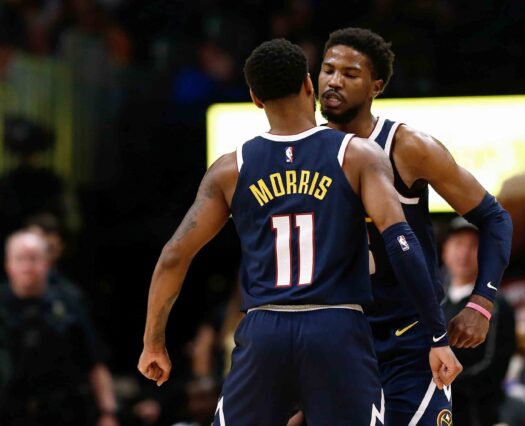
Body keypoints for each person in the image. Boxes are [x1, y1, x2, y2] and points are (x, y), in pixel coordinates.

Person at [137, 39, 461, 425]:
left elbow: (174, 254)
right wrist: (437, 336)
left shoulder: (230, 169)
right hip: (337, 327)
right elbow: (400, 241)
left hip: (263, 329)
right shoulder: (357, 154)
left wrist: (153, 342)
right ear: (309, 85)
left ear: (255, 98)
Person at [318, 27, 512, 424]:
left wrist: (481, 301)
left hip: (409, 337)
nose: (334, 81)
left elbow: (494, 218)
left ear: (376, 86)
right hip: (336, 336)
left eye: (349, 74)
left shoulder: (408, 147)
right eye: (327, 69)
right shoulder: (305, 151)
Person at [0, 230, 118, 425]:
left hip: (66, 411)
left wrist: (108, 413)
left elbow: (94, 360)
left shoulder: (69, 300)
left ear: (47, 263)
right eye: (20, 259)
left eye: (34, 259)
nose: (27, 267)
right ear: (8, 264)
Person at [440, 217, 518, 426]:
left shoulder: (497, 304)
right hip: (435, 409)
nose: (464, 253)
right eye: (458, 244)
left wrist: (442, 382)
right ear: (445, 249)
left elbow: (493, 367)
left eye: (473, 246)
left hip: (477, 414)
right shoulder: (433, 299)